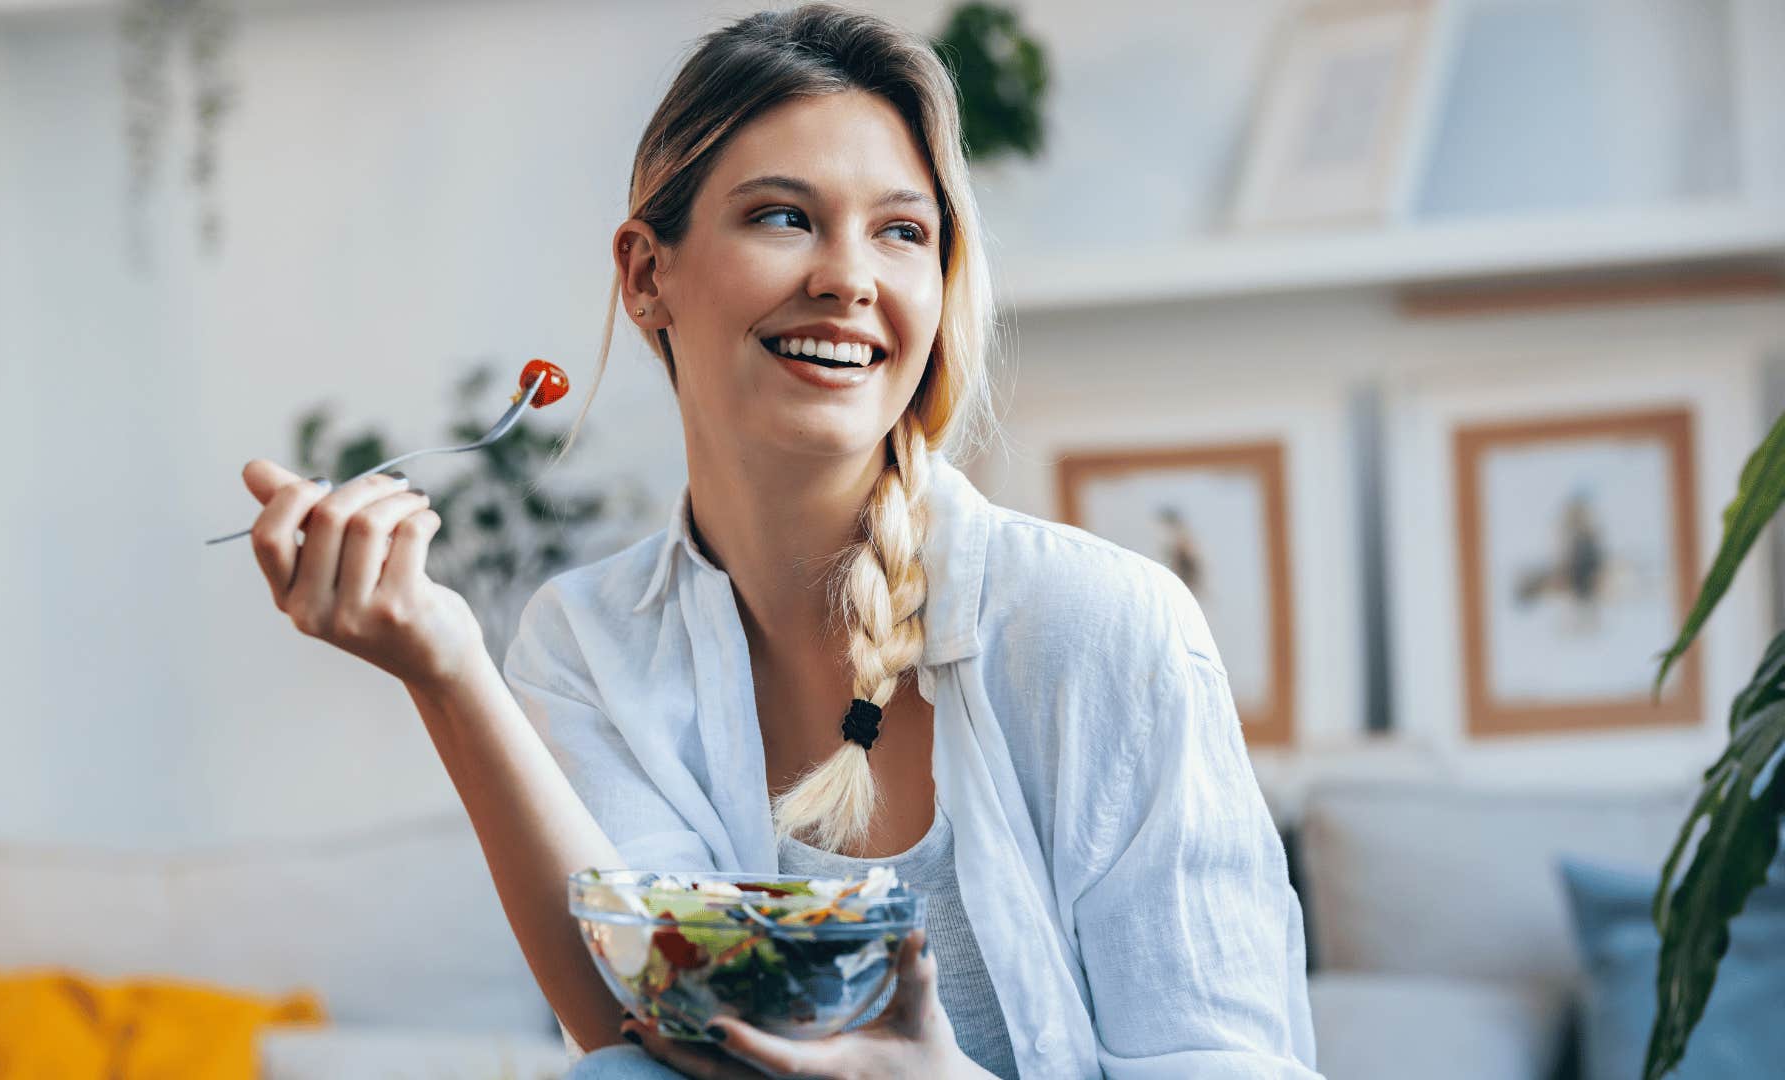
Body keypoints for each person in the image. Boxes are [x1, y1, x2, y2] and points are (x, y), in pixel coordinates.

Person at [238, 5, 1319, 1077]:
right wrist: (445, 666)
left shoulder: (1104, 628)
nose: (849, 276)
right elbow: (642, 1030)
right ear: (646, 274)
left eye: (903, 231)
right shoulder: (586, 642)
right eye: (783, 218)